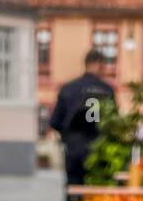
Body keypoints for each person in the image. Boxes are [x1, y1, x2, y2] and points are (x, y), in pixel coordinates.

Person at [49, 50, 116, 190]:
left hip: (73, 150)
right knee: (96, 191)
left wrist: (68, 134)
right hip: (99, 152)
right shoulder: (107, 90)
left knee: (74, 190)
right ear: (99, 65)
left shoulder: (68, 89)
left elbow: (54, 122)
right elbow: (113, 123)